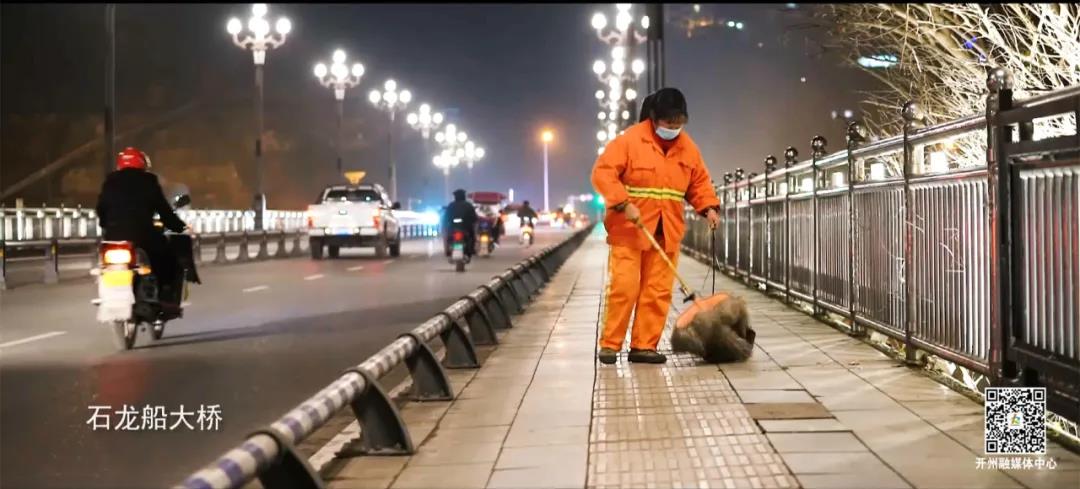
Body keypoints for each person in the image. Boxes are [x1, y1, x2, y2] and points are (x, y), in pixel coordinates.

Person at [591, 87, 722, 365]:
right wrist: (623, 202)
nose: (673, 128)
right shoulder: (628, 141)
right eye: (668, 124)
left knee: (657, 291)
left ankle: (644, 346)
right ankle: (610, 345)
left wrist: (708, 207)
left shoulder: (688, 148)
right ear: (654, 118)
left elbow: (699, 182)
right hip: (630, 230)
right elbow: (603, 174)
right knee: (625, 287)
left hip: (667, 231)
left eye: (678, 124)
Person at [95, 147, 189, 309]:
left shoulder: (110, 181)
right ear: (142, 164)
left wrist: (106, 226)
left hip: (114, 236)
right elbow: (164, 210)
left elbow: (101, 209)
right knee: (168, 257)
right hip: (142, 234)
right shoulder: (148, 181)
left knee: (103, 266)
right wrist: (179, 226)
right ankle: (165, 295)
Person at [442, 188, 479, 256]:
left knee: (446, 236)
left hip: (452, 228)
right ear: (464, 196)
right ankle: (472, 249)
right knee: (473, 236)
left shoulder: (451, 205)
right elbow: (474, 219)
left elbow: (445, 218)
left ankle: (447, 250)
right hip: (466, 228)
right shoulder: (468, 205)